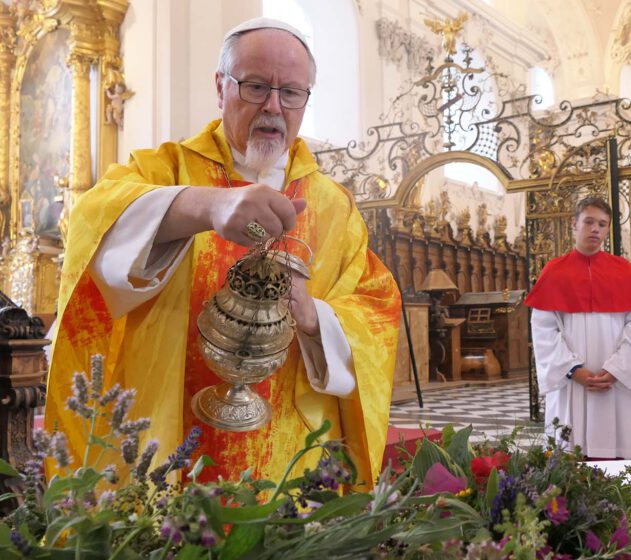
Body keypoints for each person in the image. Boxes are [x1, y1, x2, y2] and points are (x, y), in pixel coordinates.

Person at [45, 18, 401, 488]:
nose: (274, 106)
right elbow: (94, 221)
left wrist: (315, 317)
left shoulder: (334, 205)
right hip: (168, 439)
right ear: (220, 87)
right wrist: (207, 205)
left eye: (292, 93)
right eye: (256, 86)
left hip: (291, 454)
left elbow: (376, 306)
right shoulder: (167, 168)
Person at [525, 196, 631, 459]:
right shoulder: (554, 271)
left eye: (602, 224)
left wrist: (617, 369)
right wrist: (572, 369)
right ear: (575, 223)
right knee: (570, 454)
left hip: (614, 382)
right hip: (572, 381)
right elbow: (543, 330)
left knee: (619, 456)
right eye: (589, 221)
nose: (596, 229)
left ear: (607, 229)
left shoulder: (623, 271)